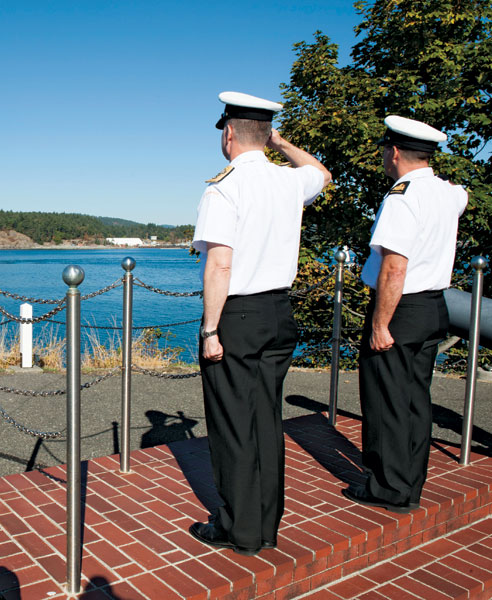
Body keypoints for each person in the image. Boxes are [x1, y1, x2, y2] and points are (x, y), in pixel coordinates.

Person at [189, 91, 331, 555]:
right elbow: (322, 173)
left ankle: (240, 528)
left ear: (228, 133)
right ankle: (267, 523)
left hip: (238, 315)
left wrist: (211, 329)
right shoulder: (288, 181)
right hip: (278, 312)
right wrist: (280, 142)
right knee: (266, 420)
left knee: (233, 423)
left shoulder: (224, 187)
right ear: (266, 134)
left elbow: (220, 265)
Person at [342, 115, 468, 513]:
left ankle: (387, 487)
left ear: (394, 152)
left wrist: (380, 323)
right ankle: (410, 482)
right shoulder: (449, 193)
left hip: (401, 308)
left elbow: (394, 268)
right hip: (434, 306)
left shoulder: (402, 197)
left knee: (386, 400)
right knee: (415, 399)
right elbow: (460, 197)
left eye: (385, 150)